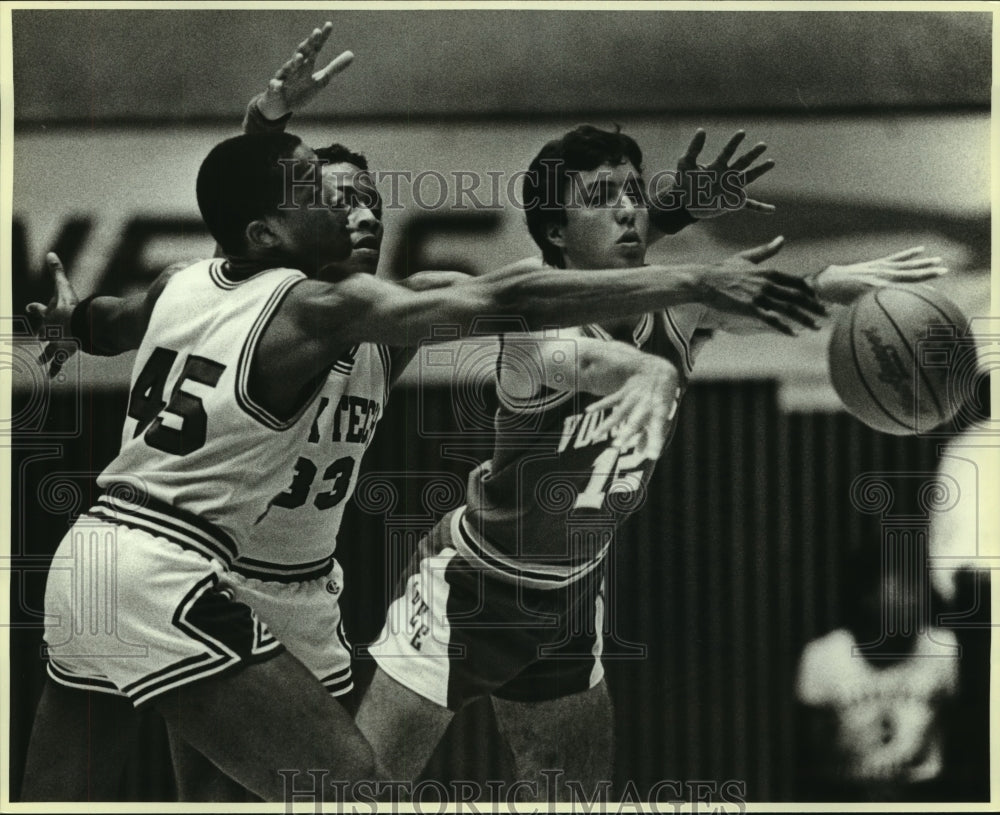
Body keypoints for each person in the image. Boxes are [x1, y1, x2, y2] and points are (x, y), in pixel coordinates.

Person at [24, 26, 816, 803]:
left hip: (254, 585)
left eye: (370, 199)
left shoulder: (203, 281)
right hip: (188, 561)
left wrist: (64, 324)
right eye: (335, 198)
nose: (363, 212)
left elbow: (110, 315)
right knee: (348, 795)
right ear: (278, 230)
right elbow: (507, 296)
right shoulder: (328, 305)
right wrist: (692, 280)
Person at [354, 123, 950, 801]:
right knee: (354, 789)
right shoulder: (531, 330)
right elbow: (580, 360)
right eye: (601, 195)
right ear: (555, 233)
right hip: (474, 590)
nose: (629, 207)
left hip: (571, 595)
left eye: (635, 190)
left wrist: (837, 287)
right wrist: (643, 372)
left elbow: (775, 305)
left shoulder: (681, 310)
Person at [795, 554, 960, 802]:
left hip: (924, 796)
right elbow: (810, 757)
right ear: (866, 596)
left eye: (920, 587)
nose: (915, 598)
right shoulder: (823, 657)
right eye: (903, 587)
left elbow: (958, 735)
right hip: (845, 798)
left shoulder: (942, 649)